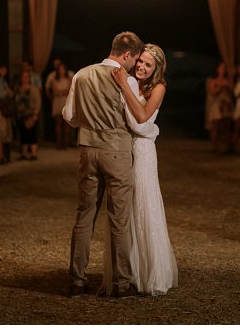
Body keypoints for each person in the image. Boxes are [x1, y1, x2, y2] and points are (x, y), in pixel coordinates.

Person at [63, 31, 149, 298]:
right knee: (119, 219)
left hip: (88, 151)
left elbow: (69, 116)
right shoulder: (128, 81)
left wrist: (89, 125)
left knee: (84, 215)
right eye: (134, 60)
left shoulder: (81, 74)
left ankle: (77, 280)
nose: (135, 66)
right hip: (117, 154)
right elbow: (135, 120)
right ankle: (121, 283)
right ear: (126, 54)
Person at [105, 43, 178, 296]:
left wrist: (124, 84)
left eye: (148, 65)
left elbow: (141, 117)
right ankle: (130, 271)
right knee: (128, 209)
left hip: (144, 152)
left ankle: (150, 272)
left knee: (144, 206)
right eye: (141, 62)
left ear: (157, 68)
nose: (142, 67)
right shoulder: (134, 82)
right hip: (126, 148)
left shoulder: (159, 88)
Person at [205, 62, 233, 152]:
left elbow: (232, 91)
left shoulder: (226, 80)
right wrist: (220, 86)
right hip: (216, 104)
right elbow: (212, 92)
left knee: (226, 125)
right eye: (221, 68)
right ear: (217, 69)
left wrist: (228, 86)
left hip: (225, 104)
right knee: (215, 125)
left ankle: (228, 146)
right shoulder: (211, 80)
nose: (223, 70)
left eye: (224, 68)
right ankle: (214, 145)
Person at [15, 71, 42, 161]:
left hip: (31, 114)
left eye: (27, 77)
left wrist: (35, 114)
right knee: (23, 134)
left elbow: (37, 102)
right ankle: (24, 153)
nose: (25, 79)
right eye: (24, 77)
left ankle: (34, 154)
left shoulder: (33, 89)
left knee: (32, 134)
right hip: (22, 115)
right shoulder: (18, 89)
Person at [0, 63, 14, 165]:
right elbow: (2, 94)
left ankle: (1, 155)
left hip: (3, 108)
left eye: (5, 69)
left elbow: (11, 93)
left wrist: (8, 91)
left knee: (4, 132)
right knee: (0, 131)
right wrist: (7, 91)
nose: (4, 71)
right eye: (2, 69)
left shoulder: (3, 80)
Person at [46, 61, 72, 149]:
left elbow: (69, 91)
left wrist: (61, 92)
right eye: (60, 69)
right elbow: (55, 91)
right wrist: (63, 91)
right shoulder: (53, 80)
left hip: (66, 102)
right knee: (58, 123)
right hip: (57, 103)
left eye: (63, 69)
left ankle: (65, 144)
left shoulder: (68, 79)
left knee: (66, 124)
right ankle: (59, 144)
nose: (62, 71)